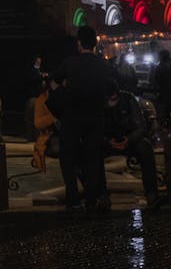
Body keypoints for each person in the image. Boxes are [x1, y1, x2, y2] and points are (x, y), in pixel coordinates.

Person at [51, 26, 114, 212]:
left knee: (67, 157)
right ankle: (92, 198)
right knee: (93, 158)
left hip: (72, 115)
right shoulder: (103, 65)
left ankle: (73, 198)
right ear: (94, 44)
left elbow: (53, 80)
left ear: (79, 43)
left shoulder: (70, 63)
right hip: (95, 117)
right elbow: (111, 89)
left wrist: (61, 90)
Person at [103, 80, 164, 209]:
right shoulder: (99, 103)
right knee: (91, 151)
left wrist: (129, 139)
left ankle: (152, 194)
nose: (111, 103)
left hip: (130, 139)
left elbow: (140, 127)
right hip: (108, 141)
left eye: (113, 99)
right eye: (108, 99)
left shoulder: (128, 100)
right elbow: (96, 129)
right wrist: (107, 141)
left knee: (145, 149)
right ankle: (100, 196)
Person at [151, 49, 171, 126]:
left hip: (165, 92)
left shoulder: (160, 66)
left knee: (166, 110)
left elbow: (156, 79)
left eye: (160, 56)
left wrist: (155, 88)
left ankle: (168, 125)